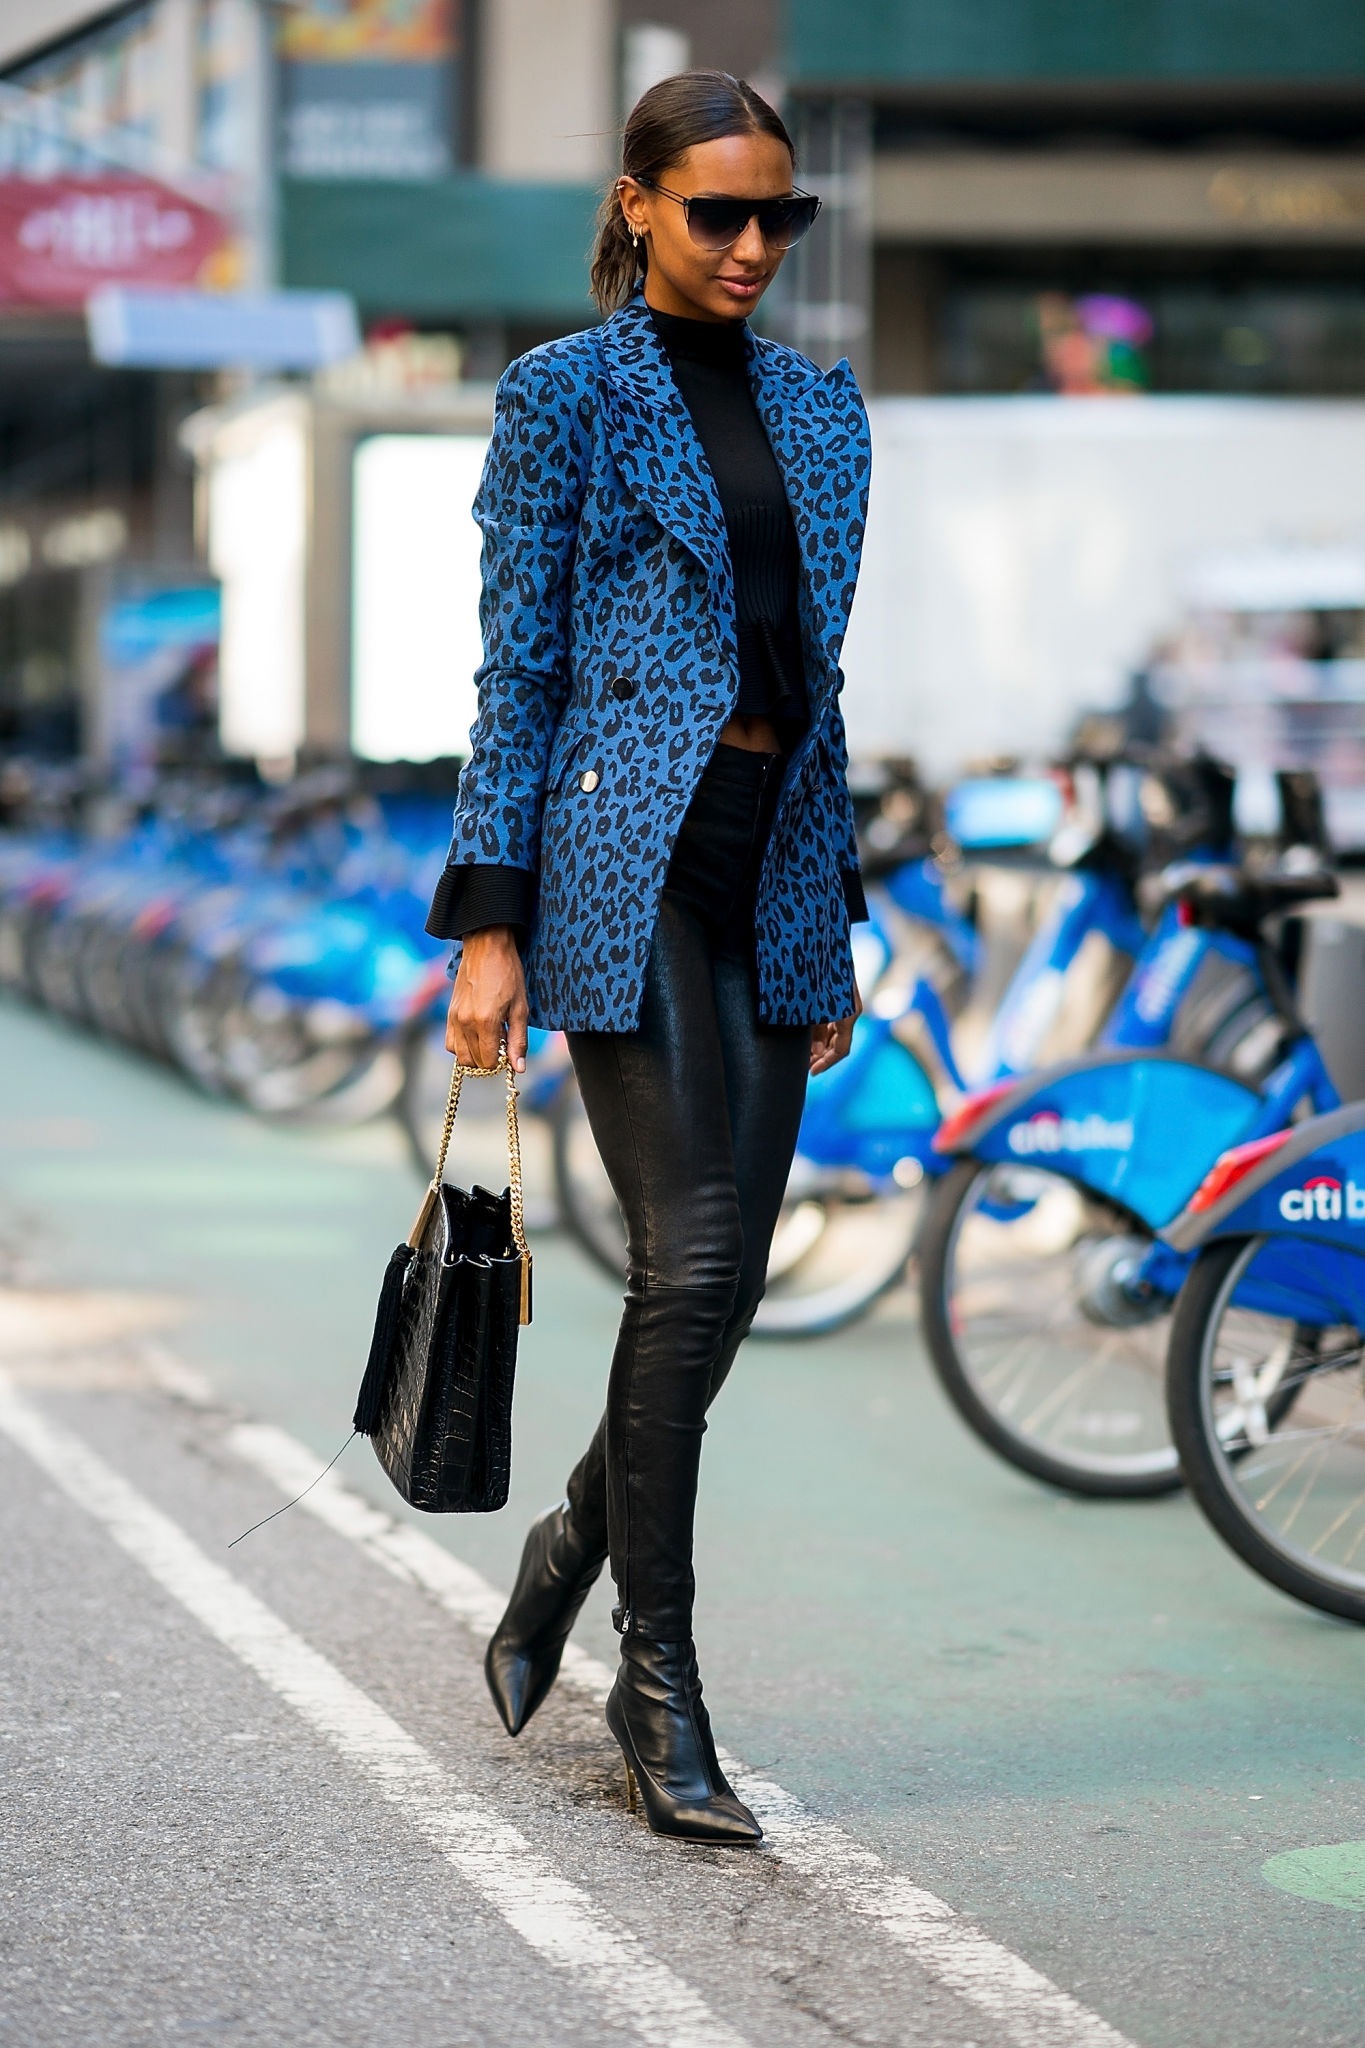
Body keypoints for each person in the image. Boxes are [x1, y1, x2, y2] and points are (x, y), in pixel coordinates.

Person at [426, 70, 872, 1845]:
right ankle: (655, 1686)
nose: (754, 245)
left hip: (770, 864)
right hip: (622, 853)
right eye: (717, 215)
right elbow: (514, 665)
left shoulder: (827, 412)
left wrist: (827, 912)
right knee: (687, 1271)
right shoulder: (562, 398)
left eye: (781, 217)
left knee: (726, 1285)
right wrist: (489, 922)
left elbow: (820, 691)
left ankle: (559, 1557)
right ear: (634, 209)